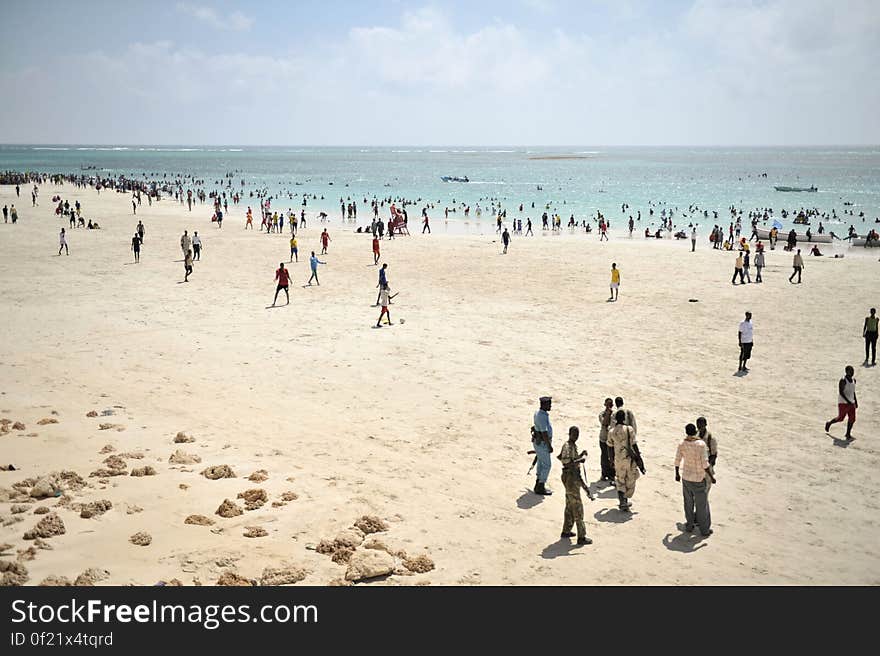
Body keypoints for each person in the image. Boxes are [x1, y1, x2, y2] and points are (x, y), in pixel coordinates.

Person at [674, 423, 714, 537]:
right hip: (698, 479)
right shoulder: (701, 444)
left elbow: (677, 460)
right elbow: (705, 464)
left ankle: (689, 525)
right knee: (702, 505)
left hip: (686, 477)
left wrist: (676, 474)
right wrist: (711, 477)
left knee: (688, 503)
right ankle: (704, 530)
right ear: (695, 430)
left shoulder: (682, 444)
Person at [557, 426, 594, 545]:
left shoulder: (570, 446)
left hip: (570, 477)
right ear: (570, 434)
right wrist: (580, 460)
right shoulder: (568, 446)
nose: (576, 436)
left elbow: (560, 457)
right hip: (570, 478)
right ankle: (581, 537)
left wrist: (579, 456)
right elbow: (566, 462)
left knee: (569, 505)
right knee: (577, 507)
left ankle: (566, 530)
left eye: (577, 434)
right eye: (574, 434)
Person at [606, 409, 644, 512]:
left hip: (618, 460)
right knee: (630, 479)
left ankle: (623, 501)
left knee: (620, 480)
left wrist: (611, 460)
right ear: (624, 418)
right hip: (629, 459)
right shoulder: (629, 429)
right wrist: (639, 459)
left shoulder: (611, 431)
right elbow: (634, 445)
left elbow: (609, 447)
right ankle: (624, 501)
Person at [825, 366, 858, 440]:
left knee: (852, 419)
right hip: (843, 402)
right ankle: (829, 423)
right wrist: (848, 401)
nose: (852, 373)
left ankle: (848, 433)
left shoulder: (854, 380)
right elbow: (841, 392)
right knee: (840, 418)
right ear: (846, 372)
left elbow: (853, 391)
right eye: (850, 371)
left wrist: (855, 401)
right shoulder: (843, 380)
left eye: (853, 371)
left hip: (851, 402)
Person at [531, 396, 554, 495]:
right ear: (544, 405)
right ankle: (541, 485)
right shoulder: (542, 416)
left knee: (541, 463)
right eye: (549, 404)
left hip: (538, 442)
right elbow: (544, 433)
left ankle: (538, 483)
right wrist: (549, 446)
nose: (551, 405)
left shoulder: (538, 413)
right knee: (547, 465)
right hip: (543, 444)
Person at [696, 417, 717, 495]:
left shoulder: (710, 438)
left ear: (705, 425)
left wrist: (705, 466)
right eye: (698, 425)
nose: (699, 427)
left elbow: (714, 455)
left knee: (704, 494)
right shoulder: (695, 435)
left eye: (701, 425)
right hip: (696, 469)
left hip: (707, 470)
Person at [598, 398, 615, 482]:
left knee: (612, 457)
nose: (609, 407)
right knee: (604, 456)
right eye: (607, 405)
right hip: (604, 438)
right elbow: (604, 423)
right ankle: (604, 474)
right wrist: (608, 414)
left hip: (612, 440)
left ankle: (612, 474)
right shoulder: (602, 414)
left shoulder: (614, 415)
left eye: (610, 405)